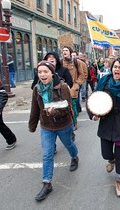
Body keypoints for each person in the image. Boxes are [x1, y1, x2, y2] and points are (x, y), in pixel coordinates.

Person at [28, 60, 79, 201]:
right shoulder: (37, 89)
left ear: (52, 73)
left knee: (69, 144)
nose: (42, 74)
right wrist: (32, 125)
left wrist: (55, 112)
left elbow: (68, 108)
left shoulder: (62, 87)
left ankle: (75, 157)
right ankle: (47, 183)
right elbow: (35, 109)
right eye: (40, 72)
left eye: (45, 71)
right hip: (46, 127)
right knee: (47, 155)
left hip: (63, 125)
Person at [88, 57, 120, 197]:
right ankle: (111, 159)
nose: (117, 69)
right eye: (115, 67)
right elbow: (94, 99)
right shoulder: (104, 82)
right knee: (106, 153)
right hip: (106, 122)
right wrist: (93, 114)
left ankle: (119, 179)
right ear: (112, 68)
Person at [62, 46, 86, 130]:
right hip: (63, 87)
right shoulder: (61, 62)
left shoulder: (76, 62)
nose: (64, 52)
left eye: (66, 50)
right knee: (64, 105)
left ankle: (74, 121)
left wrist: (77, 84)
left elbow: (82, 75)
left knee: (73, 105)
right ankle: (67, 122)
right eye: (63, 50)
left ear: (70, 52)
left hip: (73, 87)